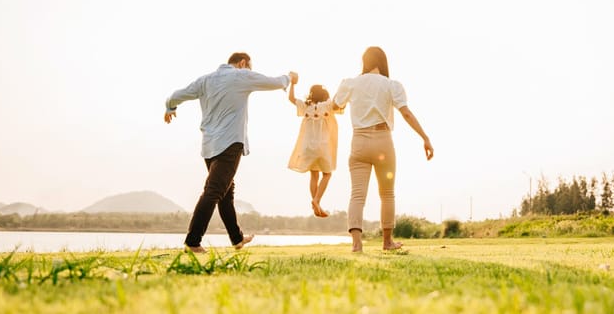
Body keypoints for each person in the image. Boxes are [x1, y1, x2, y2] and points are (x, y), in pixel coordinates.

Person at [164, 52, 297, 253]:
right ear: (243, 63)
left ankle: (236, 238)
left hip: (209, 146)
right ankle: (193, 241)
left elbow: (175, 95)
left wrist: (170, 107)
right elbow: (273, 82)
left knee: (225, 193)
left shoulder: (204, 80)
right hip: (230, 143)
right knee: (214, 190)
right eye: (249, 68)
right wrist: (290, 78)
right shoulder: (241, 75)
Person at [332, 46, 434, 252]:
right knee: (387, 194)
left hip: (358, 141)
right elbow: (406, 113)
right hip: (383, 141)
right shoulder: (391, 85)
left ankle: (356, 245)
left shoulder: (351, 83)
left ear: (365, 62)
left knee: (357, 195)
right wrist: (425, 137)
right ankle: (387, 242)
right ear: (382, 62)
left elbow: (335, 105)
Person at [286, 80, 344, 218]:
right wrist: (342, 86)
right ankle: (317, 200)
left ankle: (316, 206)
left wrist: (293, 84)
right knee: (327, 174)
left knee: (314, 175)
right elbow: (339, 101)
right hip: (323, 147)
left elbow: (291, 98)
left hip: (308, 147)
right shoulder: (327, 105)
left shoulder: (306, 106)